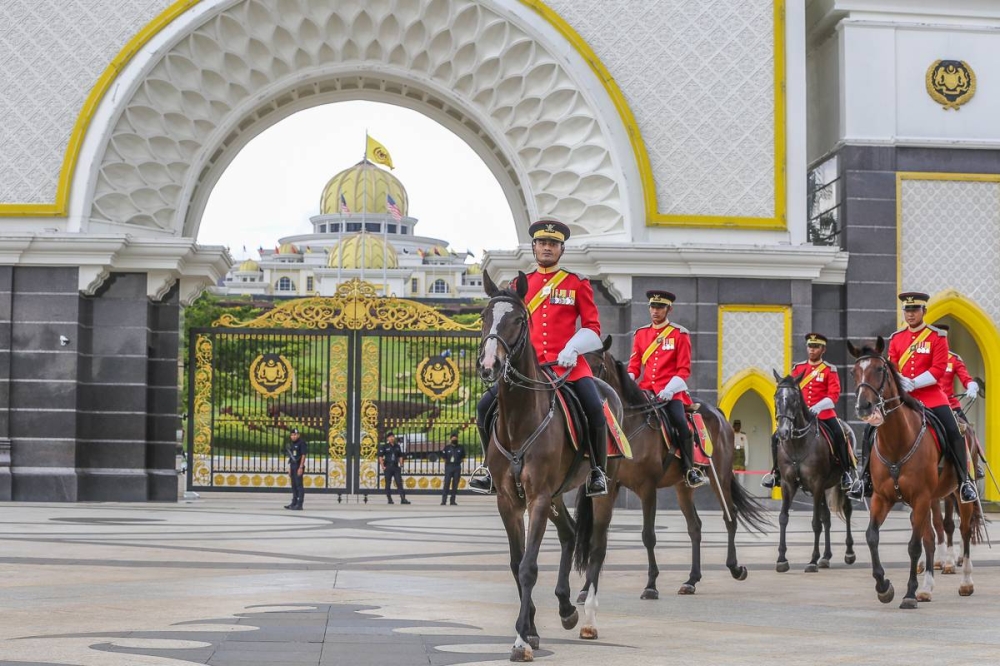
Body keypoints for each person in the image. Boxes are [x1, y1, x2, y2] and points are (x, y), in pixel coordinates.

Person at [470, 218, 609, 496]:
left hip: (567, 367)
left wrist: (573, 347)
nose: (547, 248)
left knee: (594, 408)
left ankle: (597, 471)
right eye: (542, 243)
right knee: (485, 406)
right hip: (527, 369)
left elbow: (593, 329)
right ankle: (488, 468)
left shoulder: (576, 283)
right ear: (534, 247)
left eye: (553, 244)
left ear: (561, 250)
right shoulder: (519, 285)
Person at [848, 292, 977, 504]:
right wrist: (900, 382)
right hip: (904, 398)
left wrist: (915, 382)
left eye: (914, 310)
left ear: (923, 312)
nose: (910, 314)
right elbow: (892, 365)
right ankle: (864, 480)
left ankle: (964, 482)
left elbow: (937, 369)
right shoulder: (897, 338)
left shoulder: (937, 337)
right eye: (907, 310)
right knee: (871, 427)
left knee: (954, 429)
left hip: (932, 396)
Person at [626, 289, 706, 488]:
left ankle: (689, 469)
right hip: (646, 391)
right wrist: (627, 382)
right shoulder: (641, 334)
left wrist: (670, 390)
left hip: (671, 392)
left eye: (660, 307)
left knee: (681, 423)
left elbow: (684, 369)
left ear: (669, 309)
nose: (655, 311)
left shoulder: (680, 334)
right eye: (653, 306)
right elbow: (635, 366)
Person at [761, 333, 855, 490]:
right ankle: (776, 473)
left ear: (823, 349)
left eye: (816, 347)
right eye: (810, 347)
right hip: (801, 416)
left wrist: (819, 406)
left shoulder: (829, 370)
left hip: (824, 414)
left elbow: (834, 396)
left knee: (840, 434)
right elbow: (791, 392)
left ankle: (846, 472)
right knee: (775, 437)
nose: (812, 350)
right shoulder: (798, 368)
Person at [934, 324, 980, 422]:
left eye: (944, 338)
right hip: (927, 404)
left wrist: (971, 386)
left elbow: (966, 378)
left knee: (965, 430)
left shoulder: (954, 359)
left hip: (950, 404)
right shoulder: (922, 357)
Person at [378, 431, 410, 505]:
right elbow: (380, 457)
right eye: (390, 437)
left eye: (392, 437)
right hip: (388, 467)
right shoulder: (384, 446)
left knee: (399, 482)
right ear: (387, 438)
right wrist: (383, 466)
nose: (391, 438)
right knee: (388, 483)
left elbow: (400, 456)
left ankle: (403, 498)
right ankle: (389, 499)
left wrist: (401, 464)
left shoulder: (397, 446)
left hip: (396, 467)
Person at [441, 430, 465, 505]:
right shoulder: (447, 448)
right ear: (450, 439)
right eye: (453, 439)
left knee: (455, 485)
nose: (454, 440)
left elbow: (463, 457)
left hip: (457, 467)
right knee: (446, 484)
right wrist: (448, 463)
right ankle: (444, 500)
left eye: (456, 439)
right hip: (449, 467)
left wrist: (457, 462)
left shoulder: (461, 447)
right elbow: (444, 457)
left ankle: (452, 500)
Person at [284, 428, 306, 510]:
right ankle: (294, 503)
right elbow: (291, 457)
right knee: (293, 485)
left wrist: (301, 467)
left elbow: (303, 455)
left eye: (295, 435)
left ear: (298, 435)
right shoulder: (292, 444)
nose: (293, 436)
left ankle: (300, 504)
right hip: (293, 466)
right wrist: (290, 468)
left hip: (298, 466)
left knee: (299, 485)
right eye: (292, 435)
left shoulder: (302, 443)